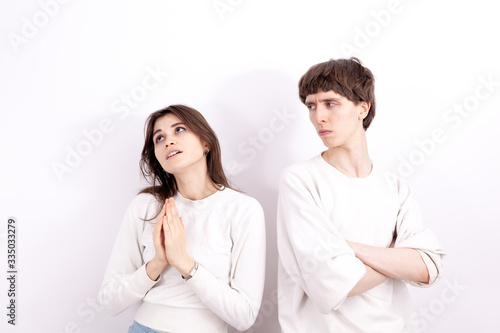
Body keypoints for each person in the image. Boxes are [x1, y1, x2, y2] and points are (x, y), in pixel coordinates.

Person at [277, 58, 445, 332]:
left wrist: (348, 248)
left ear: (362, 108)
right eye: (311, 105)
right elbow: (332, 284)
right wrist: (397, 256)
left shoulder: (396, 187)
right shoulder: (300, 180)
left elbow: (427, 268)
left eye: (330, 103)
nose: (318, 117)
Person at [98, 104, 266, 333]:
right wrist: (157, 264)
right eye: (159, 138)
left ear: (206, 143)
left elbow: (244, 316)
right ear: (157, 156)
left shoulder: (243, 209)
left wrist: (184, 263)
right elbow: (109, 300)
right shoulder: (146, 206)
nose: (168, 141)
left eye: (179, 130)